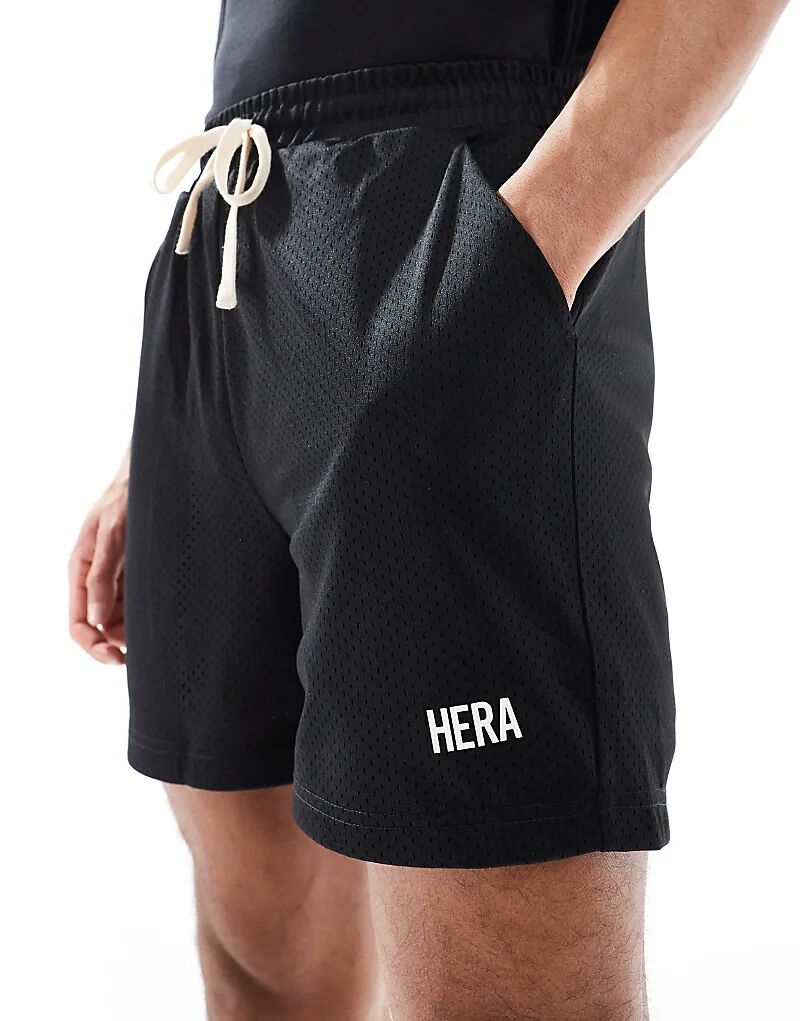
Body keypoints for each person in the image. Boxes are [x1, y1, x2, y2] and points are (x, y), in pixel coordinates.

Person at [68, 1, 789, 1018]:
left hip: (453, 199)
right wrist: (150, 444)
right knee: (261, 971)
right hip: (228, 228)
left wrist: (509, 263)